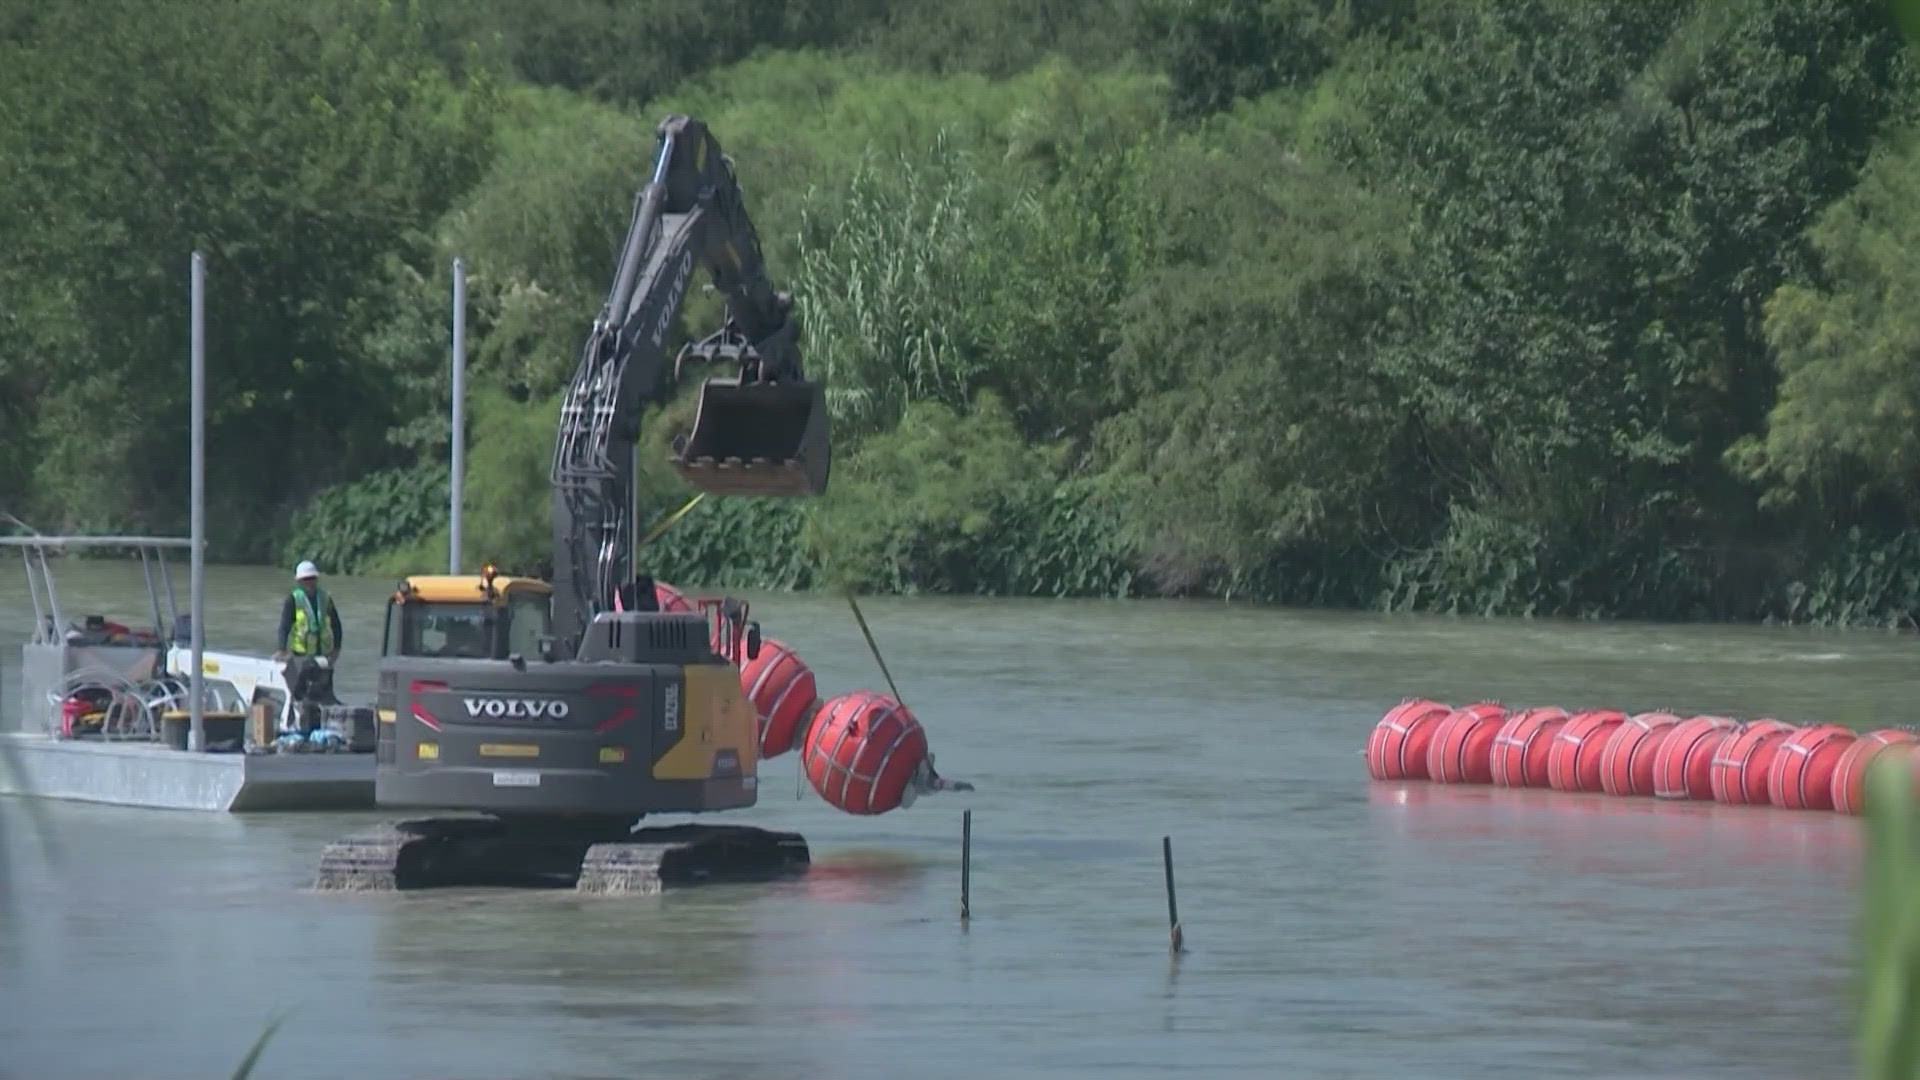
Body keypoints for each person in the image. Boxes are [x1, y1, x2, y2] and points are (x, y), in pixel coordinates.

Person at [275, 560, 343, 725]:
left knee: (325, 691)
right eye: (306, 579)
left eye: (312, 578)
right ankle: (301, 717)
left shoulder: (325, 598)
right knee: (303, 694)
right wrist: (282, 649)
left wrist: (336, 649)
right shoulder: (293, 599)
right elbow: (284, 625)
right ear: (299, 581)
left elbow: (336, 625)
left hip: (323, 655)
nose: (310, 582)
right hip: (302, 655)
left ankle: (324, 721)